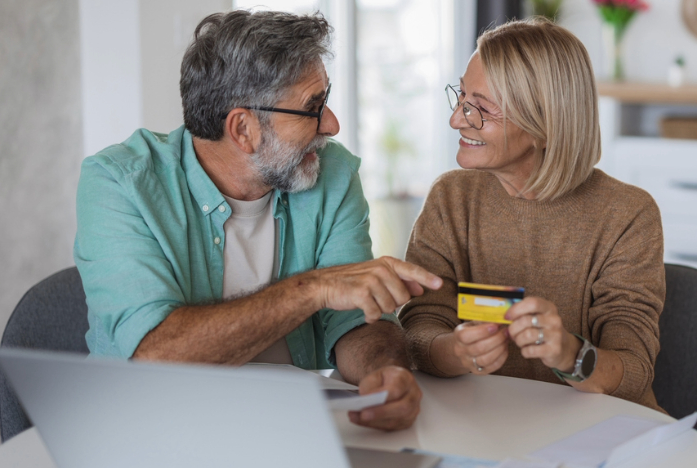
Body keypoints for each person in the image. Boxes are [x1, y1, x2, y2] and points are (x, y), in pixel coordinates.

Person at [73, 10, 441, 431]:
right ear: (243, 128)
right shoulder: (120, 184)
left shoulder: (331, 173)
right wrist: (311, 290)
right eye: (312, 107)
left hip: (296, 428)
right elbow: (158, 354)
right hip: (150, 431)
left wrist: (385, 372)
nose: (333, 125)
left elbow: (354, 320)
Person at [398, 18, 666, 411]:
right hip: (482, 421)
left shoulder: (626, 215)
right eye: (461, 98)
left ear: (543, 126)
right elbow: (419, 328)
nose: (456, 119)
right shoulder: (450, 198)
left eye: (481, 109)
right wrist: (456, 351)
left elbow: (634, 371)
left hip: (596, 429)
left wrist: (570, 355)